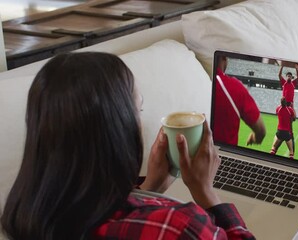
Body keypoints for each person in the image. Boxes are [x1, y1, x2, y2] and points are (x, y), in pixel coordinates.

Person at [0, 52, 256, 240]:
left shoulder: (23, 218)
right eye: (138, 109)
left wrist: (148, 188)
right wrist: (206, 193)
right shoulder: (178, 226)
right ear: (117, 129)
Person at [214, 56, 266, 146]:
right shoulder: (233, 87)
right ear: (224, 58)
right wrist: (254, 138)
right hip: (223, 156)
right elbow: (261, 131)